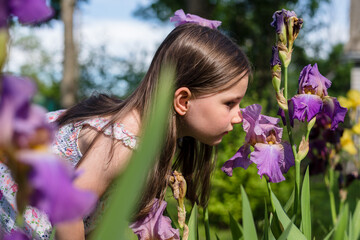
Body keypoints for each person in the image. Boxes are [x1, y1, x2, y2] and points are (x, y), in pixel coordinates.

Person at [0, 9, 251, 240]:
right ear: (183, 100)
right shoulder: (125, 142)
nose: (239, 116)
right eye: (229, 103)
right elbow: (70, 212)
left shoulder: (157, 139)